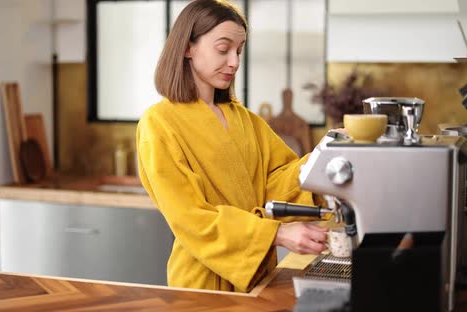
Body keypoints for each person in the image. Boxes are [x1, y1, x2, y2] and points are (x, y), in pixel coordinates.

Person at [136, 0, 328, 293]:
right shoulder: (159, 123)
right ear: (188, 47)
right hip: (201, 286)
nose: (235, 62)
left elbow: (275, 185)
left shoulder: (245, 119)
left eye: (238, 51)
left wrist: (325, 158)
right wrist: (276, 234)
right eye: (223, 49)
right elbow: (191, 218)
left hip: (260, 277)